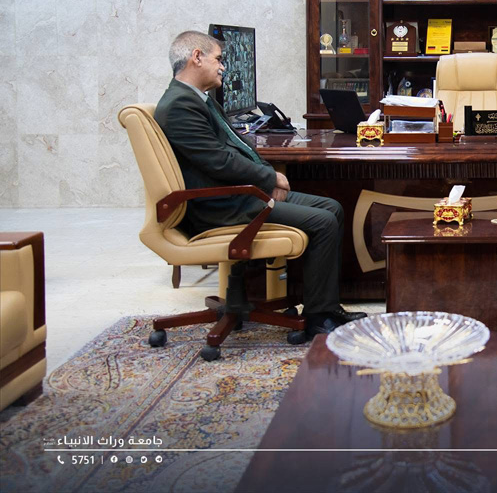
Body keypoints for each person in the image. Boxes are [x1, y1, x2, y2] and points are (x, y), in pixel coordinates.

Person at [155, 30, 365, 337]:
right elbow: (219, 161)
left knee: (331, 207)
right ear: (196, 57)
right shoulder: (180, 106)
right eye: (218, 59)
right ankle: (319, 319)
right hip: (219, 206)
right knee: (322, 222)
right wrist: (270, 177)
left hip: (238, 195)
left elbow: (239, 148)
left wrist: (267, 176)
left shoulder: (196, 100)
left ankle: (325, 307)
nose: (223, 67)